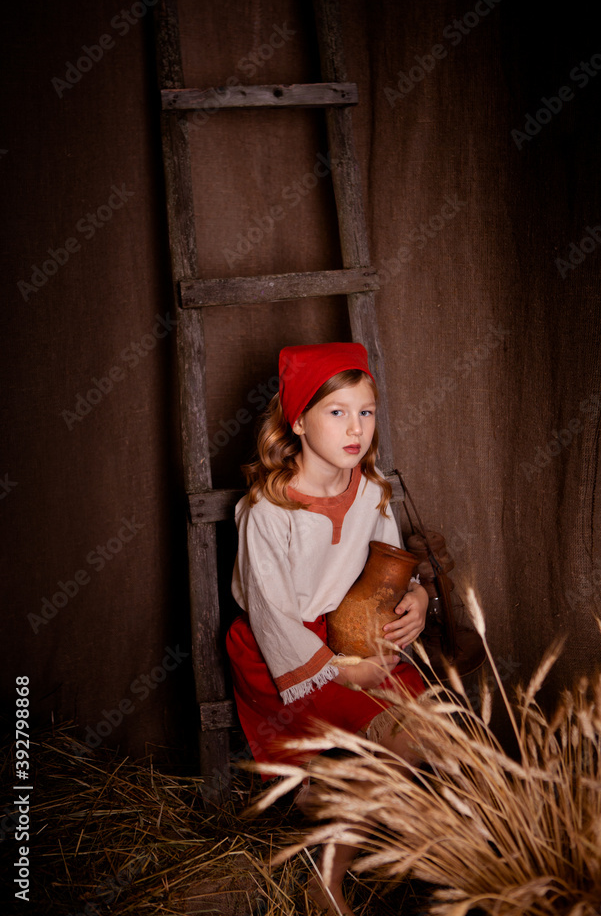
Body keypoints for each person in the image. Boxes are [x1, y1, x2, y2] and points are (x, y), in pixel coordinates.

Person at [226, 341, 429, 915]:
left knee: (432, 732)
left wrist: (416, 597)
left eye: (366, 412)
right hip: (283, 653)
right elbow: (269, 615)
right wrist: (343, 669)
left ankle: (333, 806)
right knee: (397, 739)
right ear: (298, 420)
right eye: (336, 412)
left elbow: (384, 568)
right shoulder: (267, 511)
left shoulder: (371, 490)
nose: (355, 428)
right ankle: (327, 882)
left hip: (354, 633)